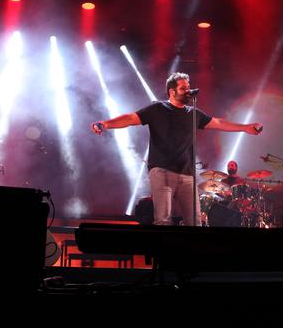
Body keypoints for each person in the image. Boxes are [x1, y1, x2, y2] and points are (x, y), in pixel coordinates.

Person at [91, 72, 263, 226]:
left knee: (194, 222)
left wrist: (245, 127)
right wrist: (105, 124)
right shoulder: (157, 108)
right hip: (162, 171)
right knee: (163, 220)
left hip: (187, 175)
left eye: (188, 87)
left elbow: (218, 122)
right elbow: (130, 118)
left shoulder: (193, 113)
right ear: (172, 92)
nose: (188, 91)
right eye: (183, 88)